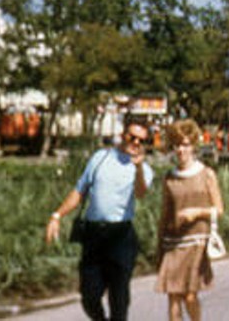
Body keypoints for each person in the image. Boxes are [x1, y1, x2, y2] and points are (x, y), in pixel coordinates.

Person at [45, 117, 155, 321]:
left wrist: (138, 167)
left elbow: (140, 193)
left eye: (142, 140)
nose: (136, 143)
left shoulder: (144, 170)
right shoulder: (100, 158)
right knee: (89, 296)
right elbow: (79, 191)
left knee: (119, 300)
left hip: (121, 236)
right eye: (133, 137)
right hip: (94, 235)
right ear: (123, 135)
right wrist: (57, 215)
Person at [156, 119, 223, 321]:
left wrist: (196, 212)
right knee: (173, 297)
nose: (180, 150)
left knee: (190, 295)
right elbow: (165, 213)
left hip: (196, 242)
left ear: (193, 146)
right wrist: (158, 246)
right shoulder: (170, 178)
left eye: (185, 144)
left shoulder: (206, 174)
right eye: (177, 145)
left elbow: (219, 209)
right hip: (173, 243)